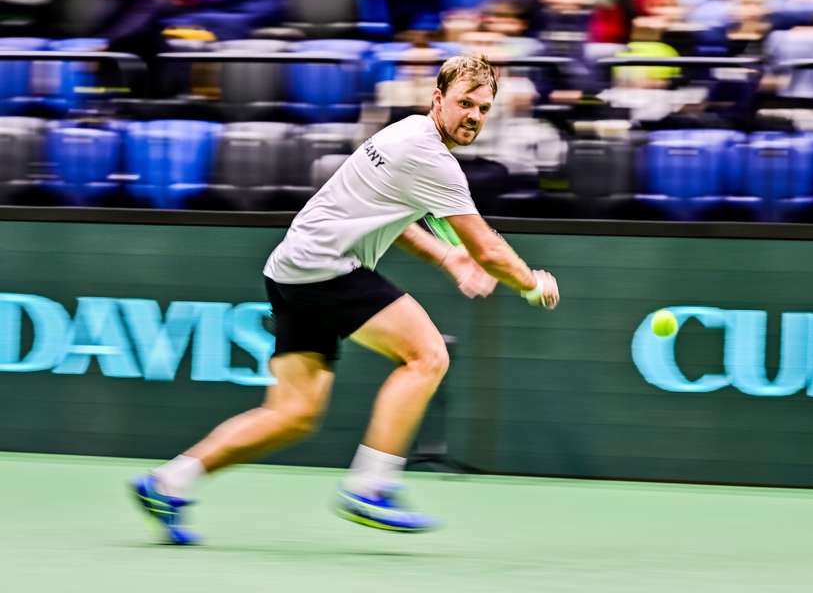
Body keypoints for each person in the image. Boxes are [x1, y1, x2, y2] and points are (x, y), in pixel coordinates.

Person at [131, 55, 561, 544]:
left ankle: (167, 483)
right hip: (324, 268)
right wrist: (531, 282)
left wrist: (447, 258)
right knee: (426, 356)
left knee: (292, 414)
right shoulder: (432, 158)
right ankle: (371, 486)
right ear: (438, 99)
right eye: (465, 103)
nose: (474, 116)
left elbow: (388, 220)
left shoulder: (405, 134)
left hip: (291, 268)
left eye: (484, 109)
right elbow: (486, 248)